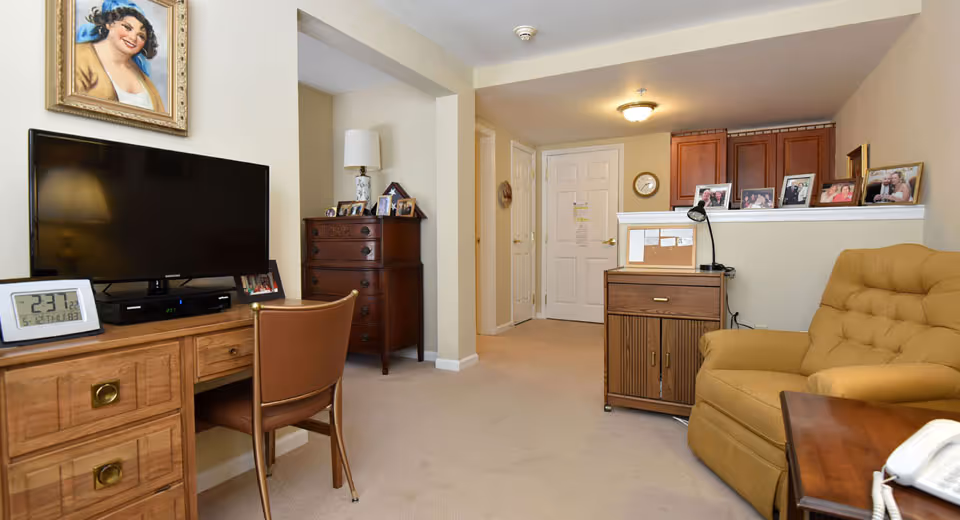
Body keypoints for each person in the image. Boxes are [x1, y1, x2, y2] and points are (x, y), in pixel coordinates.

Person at [75, 0, 165, 112]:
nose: (133, 38)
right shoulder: (79, 56)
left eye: (141, 36)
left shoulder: (142, 76)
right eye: (127, 27)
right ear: (109, 24)